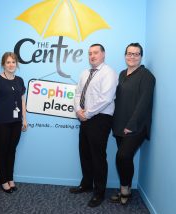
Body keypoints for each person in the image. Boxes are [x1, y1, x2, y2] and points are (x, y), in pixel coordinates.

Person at [70, 44, 118, 207]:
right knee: (85, 153)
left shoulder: (109, 73)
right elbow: (77, 93)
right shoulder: (85, 73)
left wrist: (87, 113)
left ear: (103, 54)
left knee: (98, 156)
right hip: (84, 117)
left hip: (100, 118)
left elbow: (106, 98)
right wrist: (78, 110)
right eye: (90, 53)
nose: (92, 56)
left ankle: (99, 192)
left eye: (96, 53)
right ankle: (86, 184)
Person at [110, 43, 155, 205]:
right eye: (129, 53)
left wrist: (131, 124)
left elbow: (143, 103)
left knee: (122, 156)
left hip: (136, 126)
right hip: (119, 124)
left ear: (141, 56)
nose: (132, 57)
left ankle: (124, 189)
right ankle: (126, 188)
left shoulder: (147, 76)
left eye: (136, 54)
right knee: (125, 160)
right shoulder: (122, 74)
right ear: (125, 55)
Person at [0, 52, 27, 193]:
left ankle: (10, 178)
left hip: (16, 122)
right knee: (2, 151)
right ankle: (3, 180)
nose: (11, 65)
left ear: (16, 64)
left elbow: (22, 101)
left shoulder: (20, 80)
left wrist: (24, 119)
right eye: (8, 62)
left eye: (13, 62)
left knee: (12, 151)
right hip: (1, 122)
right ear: (3, 64)